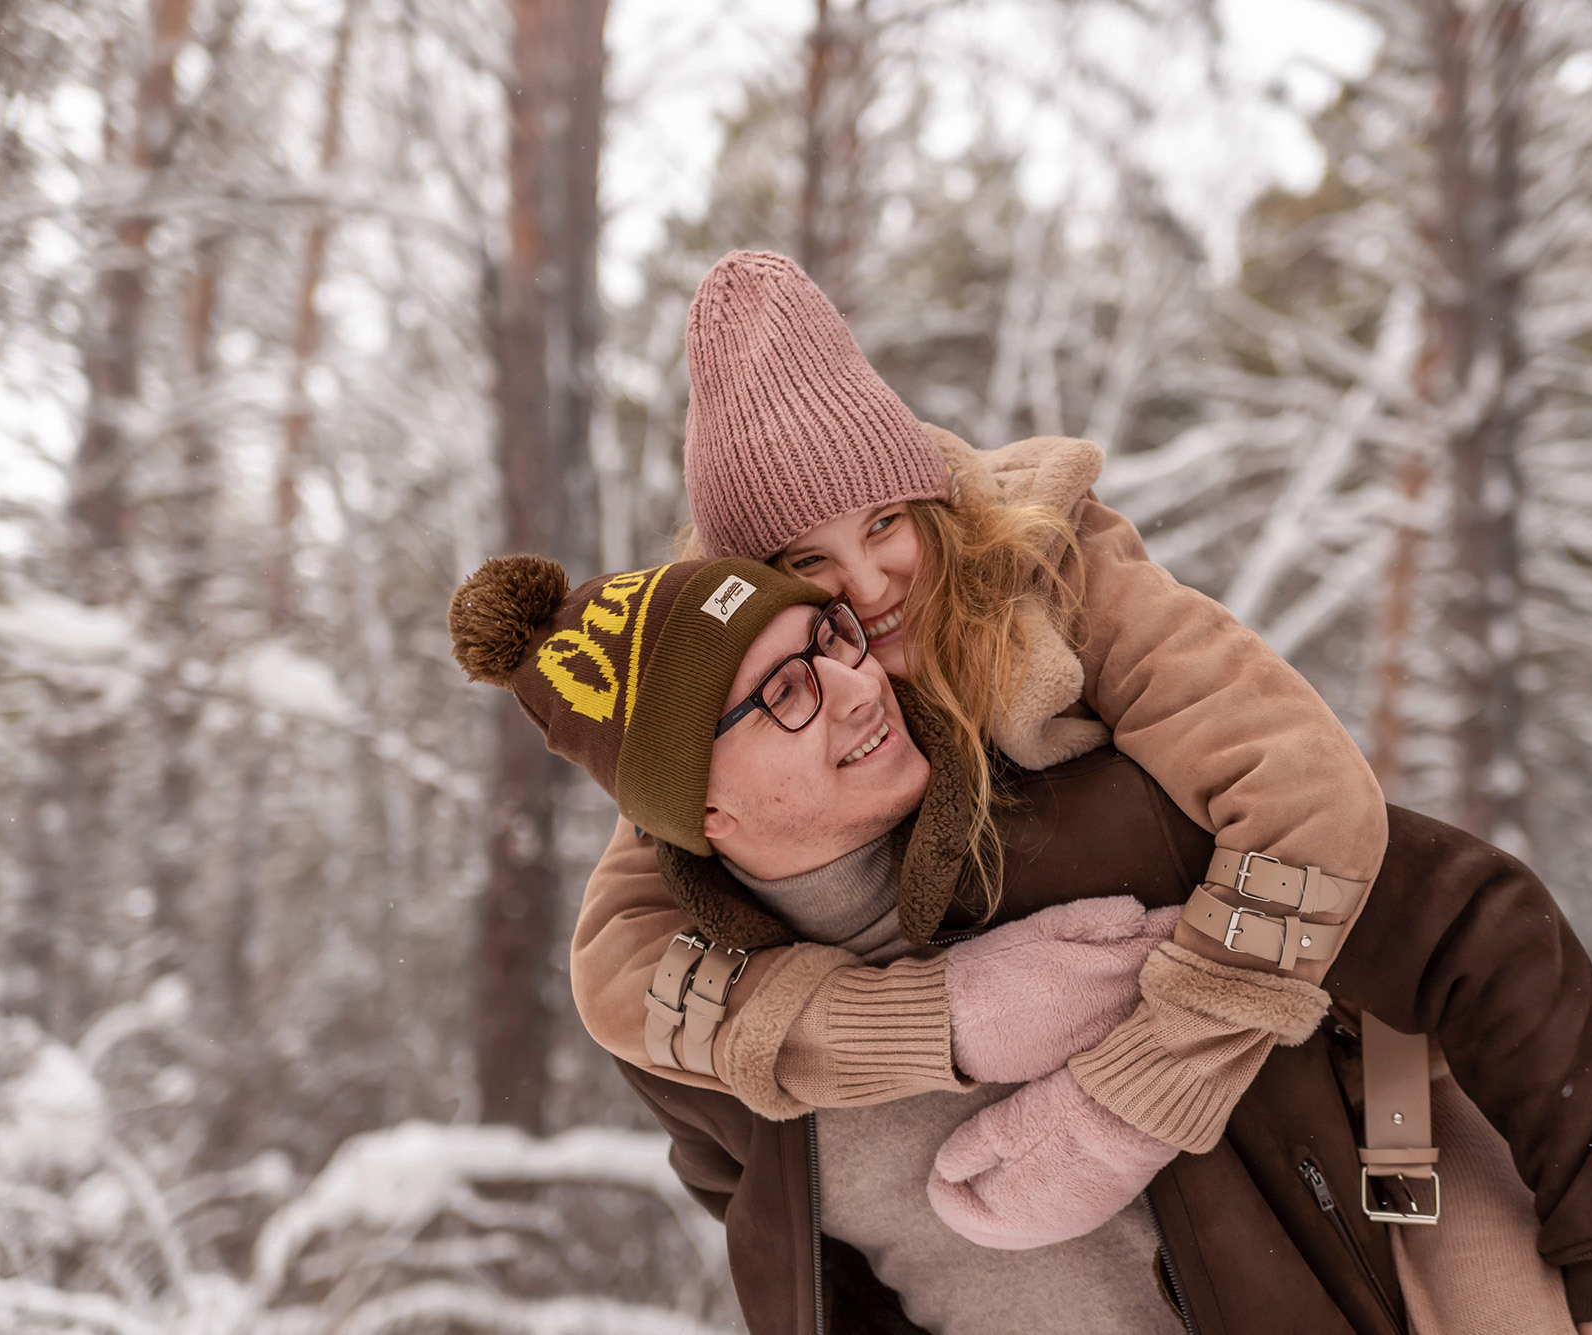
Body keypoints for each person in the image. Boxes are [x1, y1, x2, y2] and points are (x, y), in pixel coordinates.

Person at [447, 551, 1592, 1335]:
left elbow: (1468, 921)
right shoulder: (698, 1036)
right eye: (781, 696)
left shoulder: (1093, 813)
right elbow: (796, 1255)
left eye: (824, 639)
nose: (854, 684)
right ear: (700, 814)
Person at [576, 249, 1390, 1175]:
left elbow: (1308, 794)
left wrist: (1137, 1096)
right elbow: (619, 963)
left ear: (931, 503)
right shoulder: (740, 691)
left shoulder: (1056, 570)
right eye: (808, 562)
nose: (870, 583)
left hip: (1326, 1072)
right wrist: (932, 1019)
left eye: (885, 523)